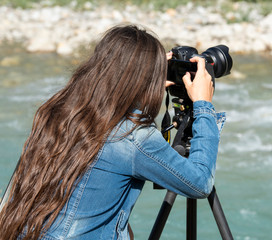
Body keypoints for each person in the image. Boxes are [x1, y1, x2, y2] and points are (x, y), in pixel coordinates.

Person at [0, 24, 225, 240]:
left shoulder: (59, 111)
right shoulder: (133, 137)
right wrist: (203, 105)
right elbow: (199, 183)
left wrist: (147, 72)